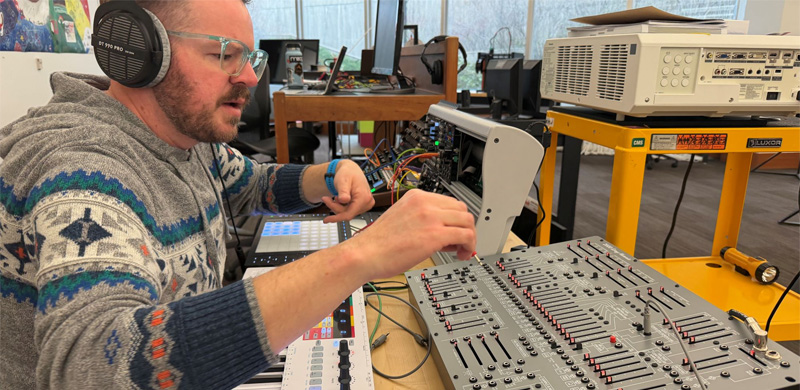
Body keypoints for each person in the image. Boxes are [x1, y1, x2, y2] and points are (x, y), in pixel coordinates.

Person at [0, 0, 477, 388]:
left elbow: (250, 183)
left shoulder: (184, 137)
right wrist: (361, 254)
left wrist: (330, 174)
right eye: (225, 54)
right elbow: (92, 368)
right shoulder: (83, 169)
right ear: (141, 54)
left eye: (249, 57)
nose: (250, 77)